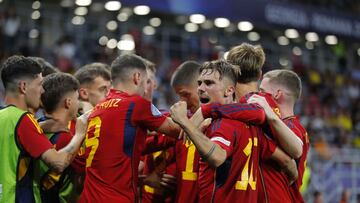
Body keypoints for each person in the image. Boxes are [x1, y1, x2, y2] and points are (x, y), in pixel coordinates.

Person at [170, 60, 297, 203]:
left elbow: (217, 157)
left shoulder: (223, 124)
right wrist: (292, 176)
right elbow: (288, 162)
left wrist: (185, 123)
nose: (200, 88)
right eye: (199, 83)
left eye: (209, 83)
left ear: (229, 90)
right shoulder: (253, 125)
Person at [79, 54, 181, 202]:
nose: (147, 88)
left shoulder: (98, 109)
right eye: (147, 81)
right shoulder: (135, 104)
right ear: (137, 77)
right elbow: (178, 131)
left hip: (89, 197)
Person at [0, 55, 87, 203]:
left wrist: (44, 125)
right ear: (23, 87)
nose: (42, 91)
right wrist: (79, 134)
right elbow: (58, 163)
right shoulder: (23, 120)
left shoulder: (5, 116)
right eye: (39, 84)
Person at [255, 69, 310, 203]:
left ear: (277, 94)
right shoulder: (292, 126)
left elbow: (297, 149)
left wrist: (270, 114)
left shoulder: (290, 127)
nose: (258, 95)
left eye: (262, 91)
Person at [37, 73, 80, 203]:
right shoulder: (67, 139)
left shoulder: (35, 126)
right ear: (68, 102)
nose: (79, 104)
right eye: (77, 99)